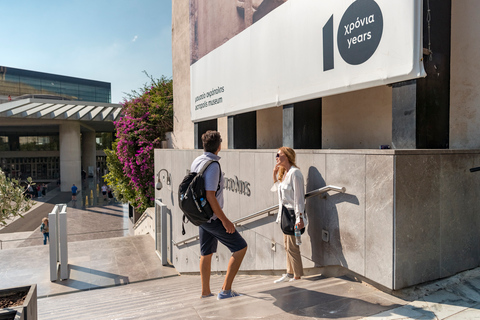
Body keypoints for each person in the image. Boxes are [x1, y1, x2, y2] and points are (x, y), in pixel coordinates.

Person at [191, 130, 247, 300]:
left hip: (200, 215)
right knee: (240, 247)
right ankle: (226, 290)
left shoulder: (197, 161)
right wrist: (225, 221)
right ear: (219, 146)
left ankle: (205, 291)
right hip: (212, 217)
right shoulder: (213, 165)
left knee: (205, 252)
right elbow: (210, 196)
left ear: (204, 145)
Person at [271, 147, 308, 283]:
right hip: (285, 214)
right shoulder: (284, 173)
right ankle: (289, 272)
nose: (276, 157)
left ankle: (297, 275)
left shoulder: (295, 173)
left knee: (293, 246)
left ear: (286, 156)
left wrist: (300, 218)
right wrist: (274, 175)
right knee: (286, 245)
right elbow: (277, 190)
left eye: (278, 155)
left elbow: (299, 198)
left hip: (293, 214)